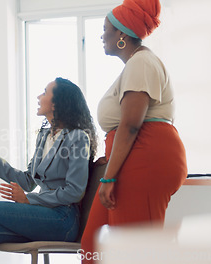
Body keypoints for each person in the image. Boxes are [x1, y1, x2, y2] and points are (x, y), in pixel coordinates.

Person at [80, 0, 187, 262]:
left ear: (122, 35)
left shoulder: (141, 63)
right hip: (135, 156)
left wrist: (108, 178)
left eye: (106, 29)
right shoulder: (136, 65)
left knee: (131, 252)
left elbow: (130, 125)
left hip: (146, 156)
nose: (101, 34)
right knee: (92, 245)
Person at [0, 78, 97, 264]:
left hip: (62, 219)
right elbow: (29, 181)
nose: (39, 97)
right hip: (41, 215)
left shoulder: (78, 137)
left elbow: (75, 191)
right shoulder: (44, 136)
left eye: (45, 92)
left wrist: (28, 199)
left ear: (57, 102)